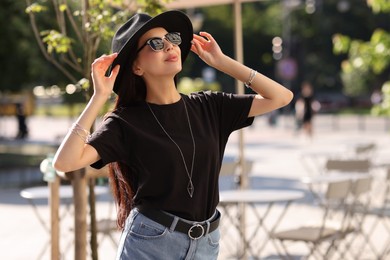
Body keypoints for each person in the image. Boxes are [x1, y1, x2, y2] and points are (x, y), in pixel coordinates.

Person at [53, 10, 293, 260]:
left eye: (172, 39)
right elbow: (65, 162)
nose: (169, 46)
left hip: (207, 242)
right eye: (156, 44)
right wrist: (99, 97)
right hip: (151, 244)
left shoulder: (209, 106)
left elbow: (281, 97)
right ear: (136, 66)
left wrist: (223, 63)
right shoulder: (126, 122)